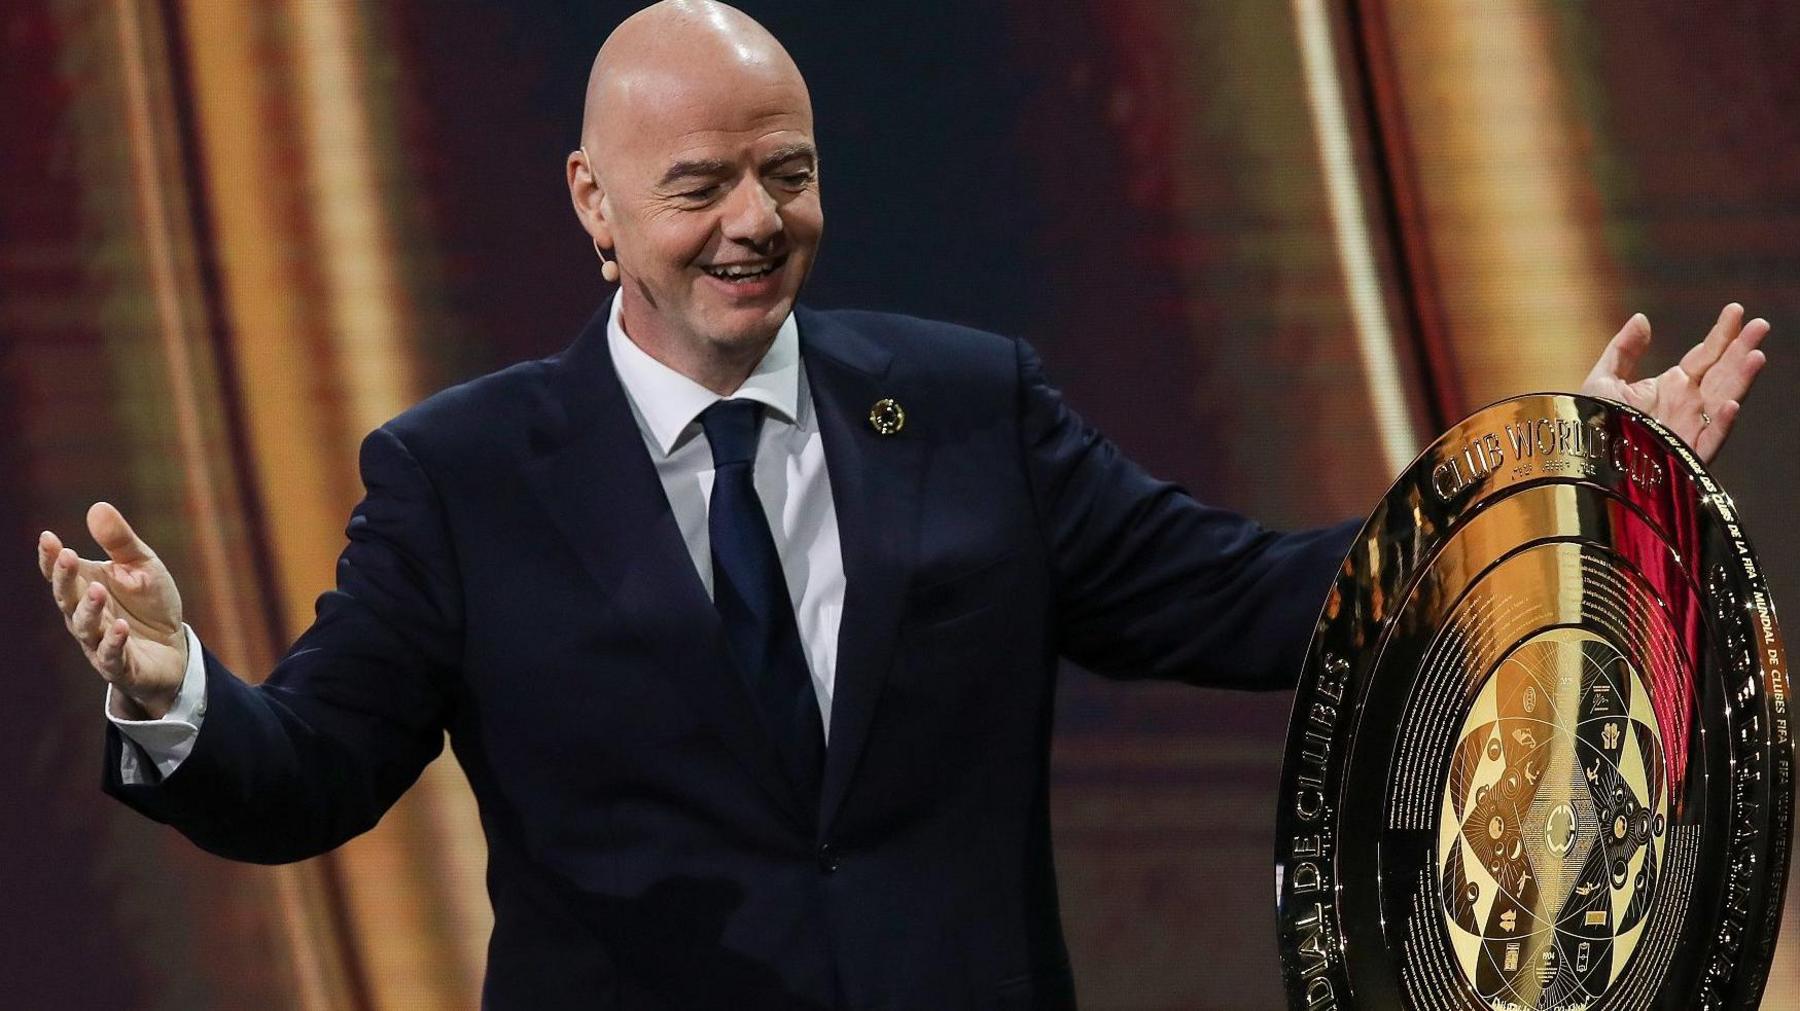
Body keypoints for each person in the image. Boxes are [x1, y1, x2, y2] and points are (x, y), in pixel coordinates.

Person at [36, 2, 1769, 1007]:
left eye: (785, 174)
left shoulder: (965, 404)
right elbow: (307, 776)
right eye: (697, 185)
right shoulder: (461, 475)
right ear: (591, 202)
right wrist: (170, 687)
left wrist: (1563, 482)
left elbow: (1254, 600)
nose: (752, 222)